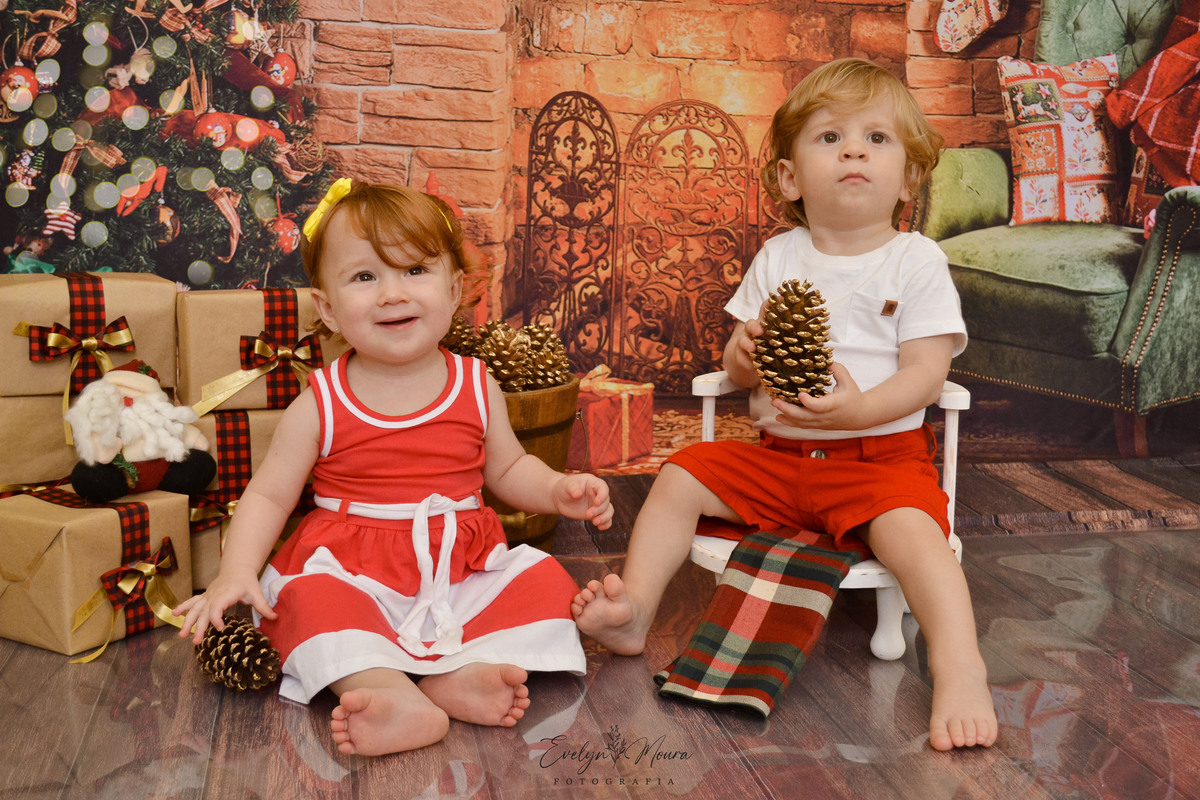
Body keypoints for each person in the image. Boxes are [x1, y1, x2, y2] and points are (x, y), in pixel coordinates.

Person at [572, 58, 997, 751]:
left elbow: (926, 374)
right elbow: (739, 365)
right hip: (780, 460)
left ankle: (959, 667)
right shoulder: (779, 257)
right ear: (792, 178)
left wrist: (858, 412)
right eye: (830, 138)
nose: (854, 150)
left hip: (878, 463)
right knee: (682, 474)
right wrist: (742, 353)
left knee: (921, 544)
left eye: (876, 139)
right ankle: (636, 609)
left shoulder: (916, 262)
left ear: (910, 179)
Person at [175, 179, 614, 756]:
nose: (392, 294)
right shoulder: (322, 401)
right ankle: (383, 690)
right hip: (352, 569)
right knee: (302, 603)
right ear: (327, 308)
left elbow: (507, 471)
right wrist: (236, 573)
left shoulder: (476, 385)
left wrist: (558, 489)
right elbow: (269, 496)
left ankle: (457, 674)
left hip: (458, 566)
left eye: (414, 271)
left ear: (455, 288)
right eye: (364, 277)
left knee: (545, 581)